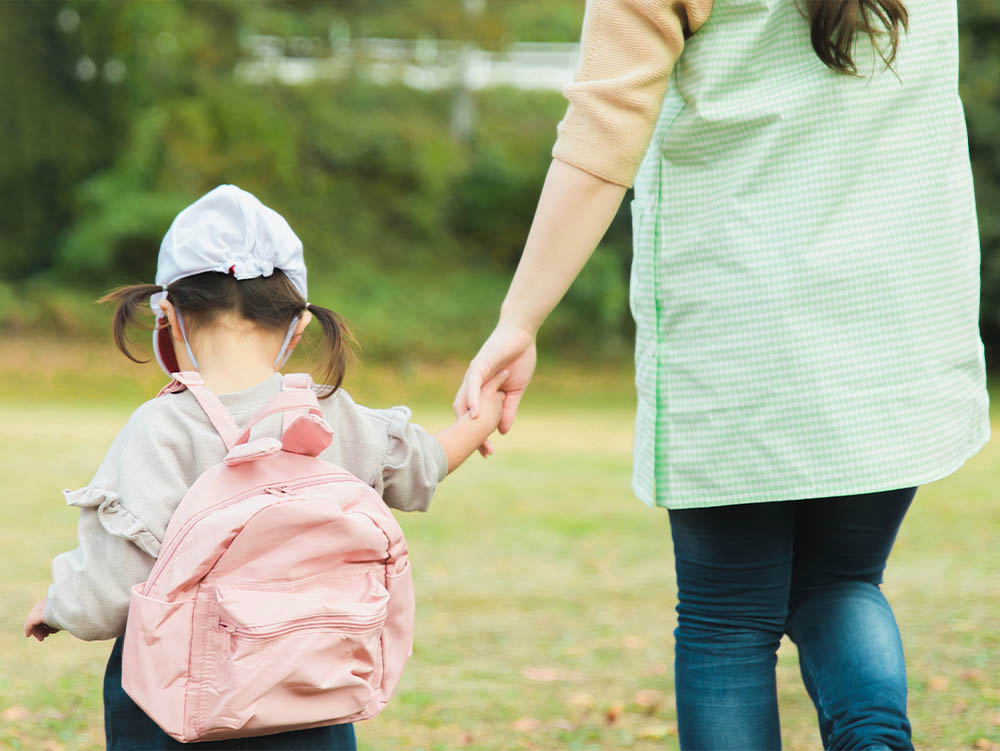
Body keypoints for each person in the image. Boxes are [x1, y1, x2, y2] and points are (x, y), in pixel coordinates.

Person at [453, 0, 990, 748]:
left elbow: (602, 135)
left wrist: (519, 319)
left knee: (728, 618)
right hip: (895, 321)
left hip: (741, 327)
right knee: (843, 582)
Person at [24, 184, 507, 751]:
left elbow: (109, 590)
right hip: (311, 697)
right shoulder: (335, 414)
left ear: (169, 318)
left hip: (181, 708)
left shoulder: (161, 430)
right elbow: (426, 461)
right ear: (298, 328)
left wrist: (57, 608)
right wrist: (487, 407)